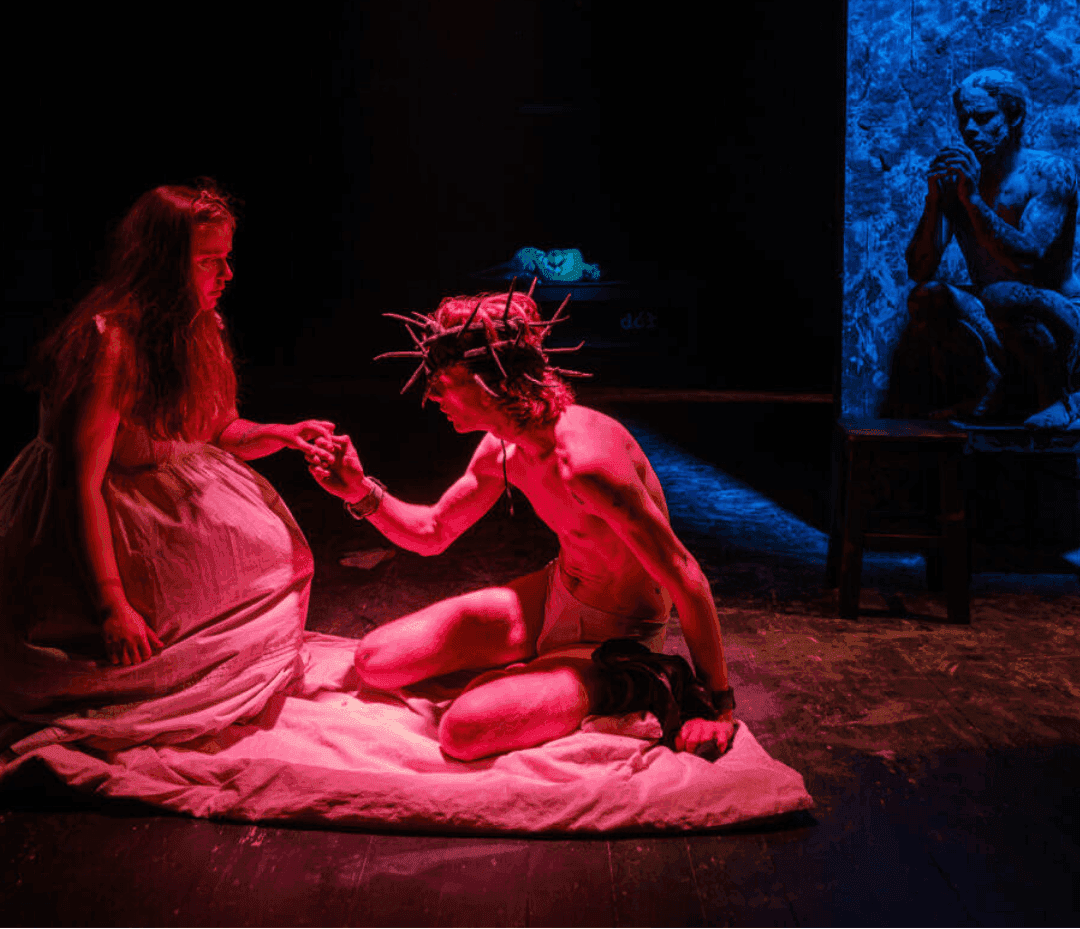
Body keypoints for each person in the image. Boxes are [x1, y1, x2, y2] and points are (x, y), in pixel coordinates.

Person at [309, 285, 736, 761]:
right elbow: (432, 533)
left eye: (443, 381)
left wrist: (717, 705)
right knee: (374, 661)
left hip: (619, 638)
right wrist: (358, 490)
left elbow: (685, 574)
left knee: (462, 732)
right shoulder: (502, 449)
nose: (433, 396)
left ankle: (645, 680)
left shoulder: (587, 464)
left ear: (487, 382)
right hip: (554, 595)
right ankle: (538, 671)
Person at [0, 182, 335, 733]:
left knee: (277, 558)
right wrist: (112, 605)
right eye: (208, 262)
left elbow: (217, 430)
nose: (227, 275)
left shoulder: (200, 326)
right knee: (113, 643)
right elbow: (77, 485)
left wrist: (281, 433)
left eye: (226, 258)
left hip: (166, 492)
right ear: (161, 265)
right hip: (98, 506)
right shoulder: (108, 342)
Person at [902, 68, 1079, 427]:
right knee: (928, 296)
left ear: (1014, 117)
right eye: (963, 120)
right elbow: (920, 269)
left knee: (1002, 293)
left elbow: (1030, 261)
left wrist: (973, 203)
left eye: (983, 118)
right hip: (997, 307)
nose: (970, 130)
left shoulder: (1048, 173)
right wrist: (935, 202)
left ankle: (1056, 398)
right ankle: (991, 385)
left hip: (1060, 313)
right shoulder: (961, 179)